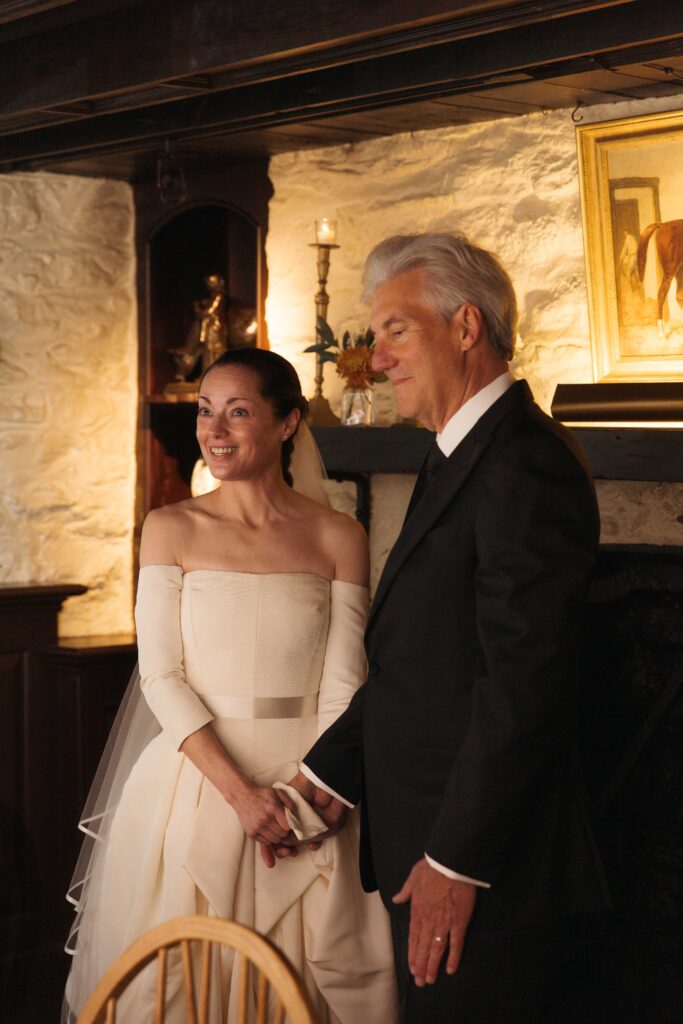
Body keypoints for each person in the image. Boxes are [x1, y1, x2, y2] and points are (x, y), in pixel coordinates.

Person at [281, 233, 610, 1023]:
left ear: (465, 327)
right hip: (424, 843)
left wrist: (455, 861)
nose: (375, 359)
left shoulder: (523, 462)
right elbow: (425, 660)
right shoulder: (456, 453)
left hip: (483, 872)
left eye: (395, 331)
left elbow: (521, 686)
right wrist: (328, 775)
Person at [63, 348, 397, 1023]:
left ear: (287, 423)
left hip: (309, 789)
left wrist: (312, 793)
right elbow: (161, 675)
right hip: (196, 783)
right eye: (205, 412)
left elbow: (344, 684)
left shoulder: (339, 535)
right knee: (180, 989)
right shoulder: (170, 528)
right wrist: (241, 796)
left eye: (238, 412)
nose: (214, 431)